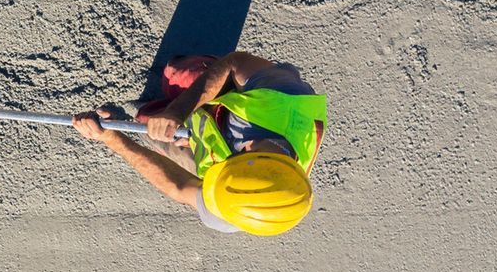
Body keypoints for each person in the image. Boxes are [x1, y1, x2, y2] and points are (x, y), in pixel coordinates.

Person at [74, 50, 324, 237]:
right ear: (248, 149)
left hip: (215, 132)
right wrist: (178, 111)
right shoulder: (283, 96)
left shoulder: (235, 206)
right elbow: (235, 61)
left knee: (147, 125)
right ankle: (191, 83)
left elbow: (178, 186)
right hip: (244, 93)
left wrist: (108, 137)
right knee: (178, 75)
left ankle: (178, 126)